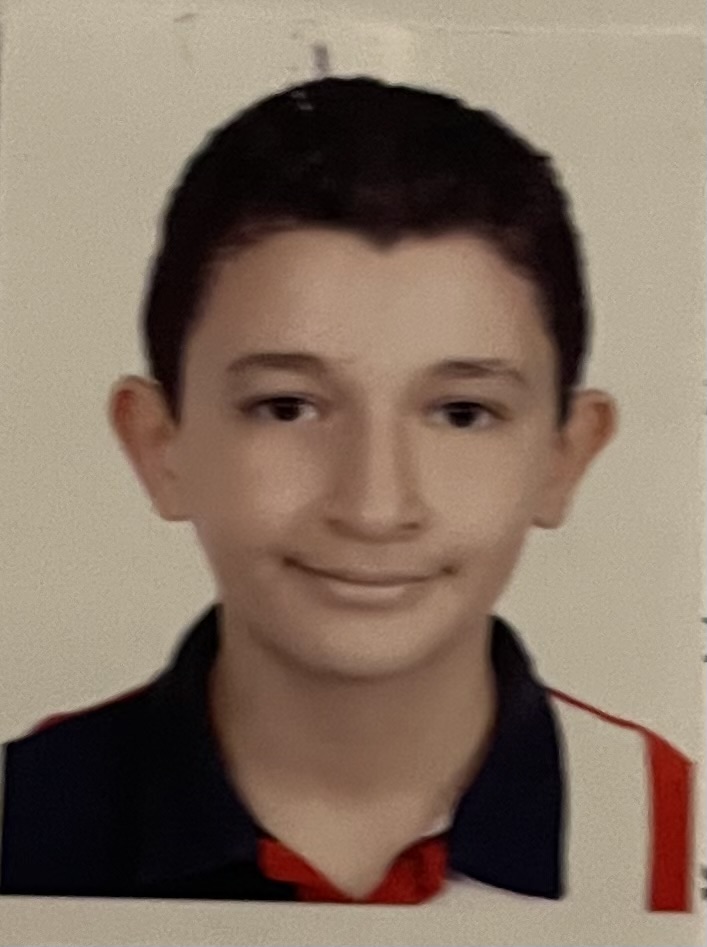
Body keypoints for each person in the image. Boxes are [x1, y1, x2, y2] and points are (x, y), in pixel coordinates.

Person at [0, 75, 695, 911]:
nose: (373, 506)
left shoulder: (676, 844)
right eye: (286, 406)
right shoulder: (23, 822)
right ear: (159, 445)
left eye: (461, 413)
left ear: (563, 457)